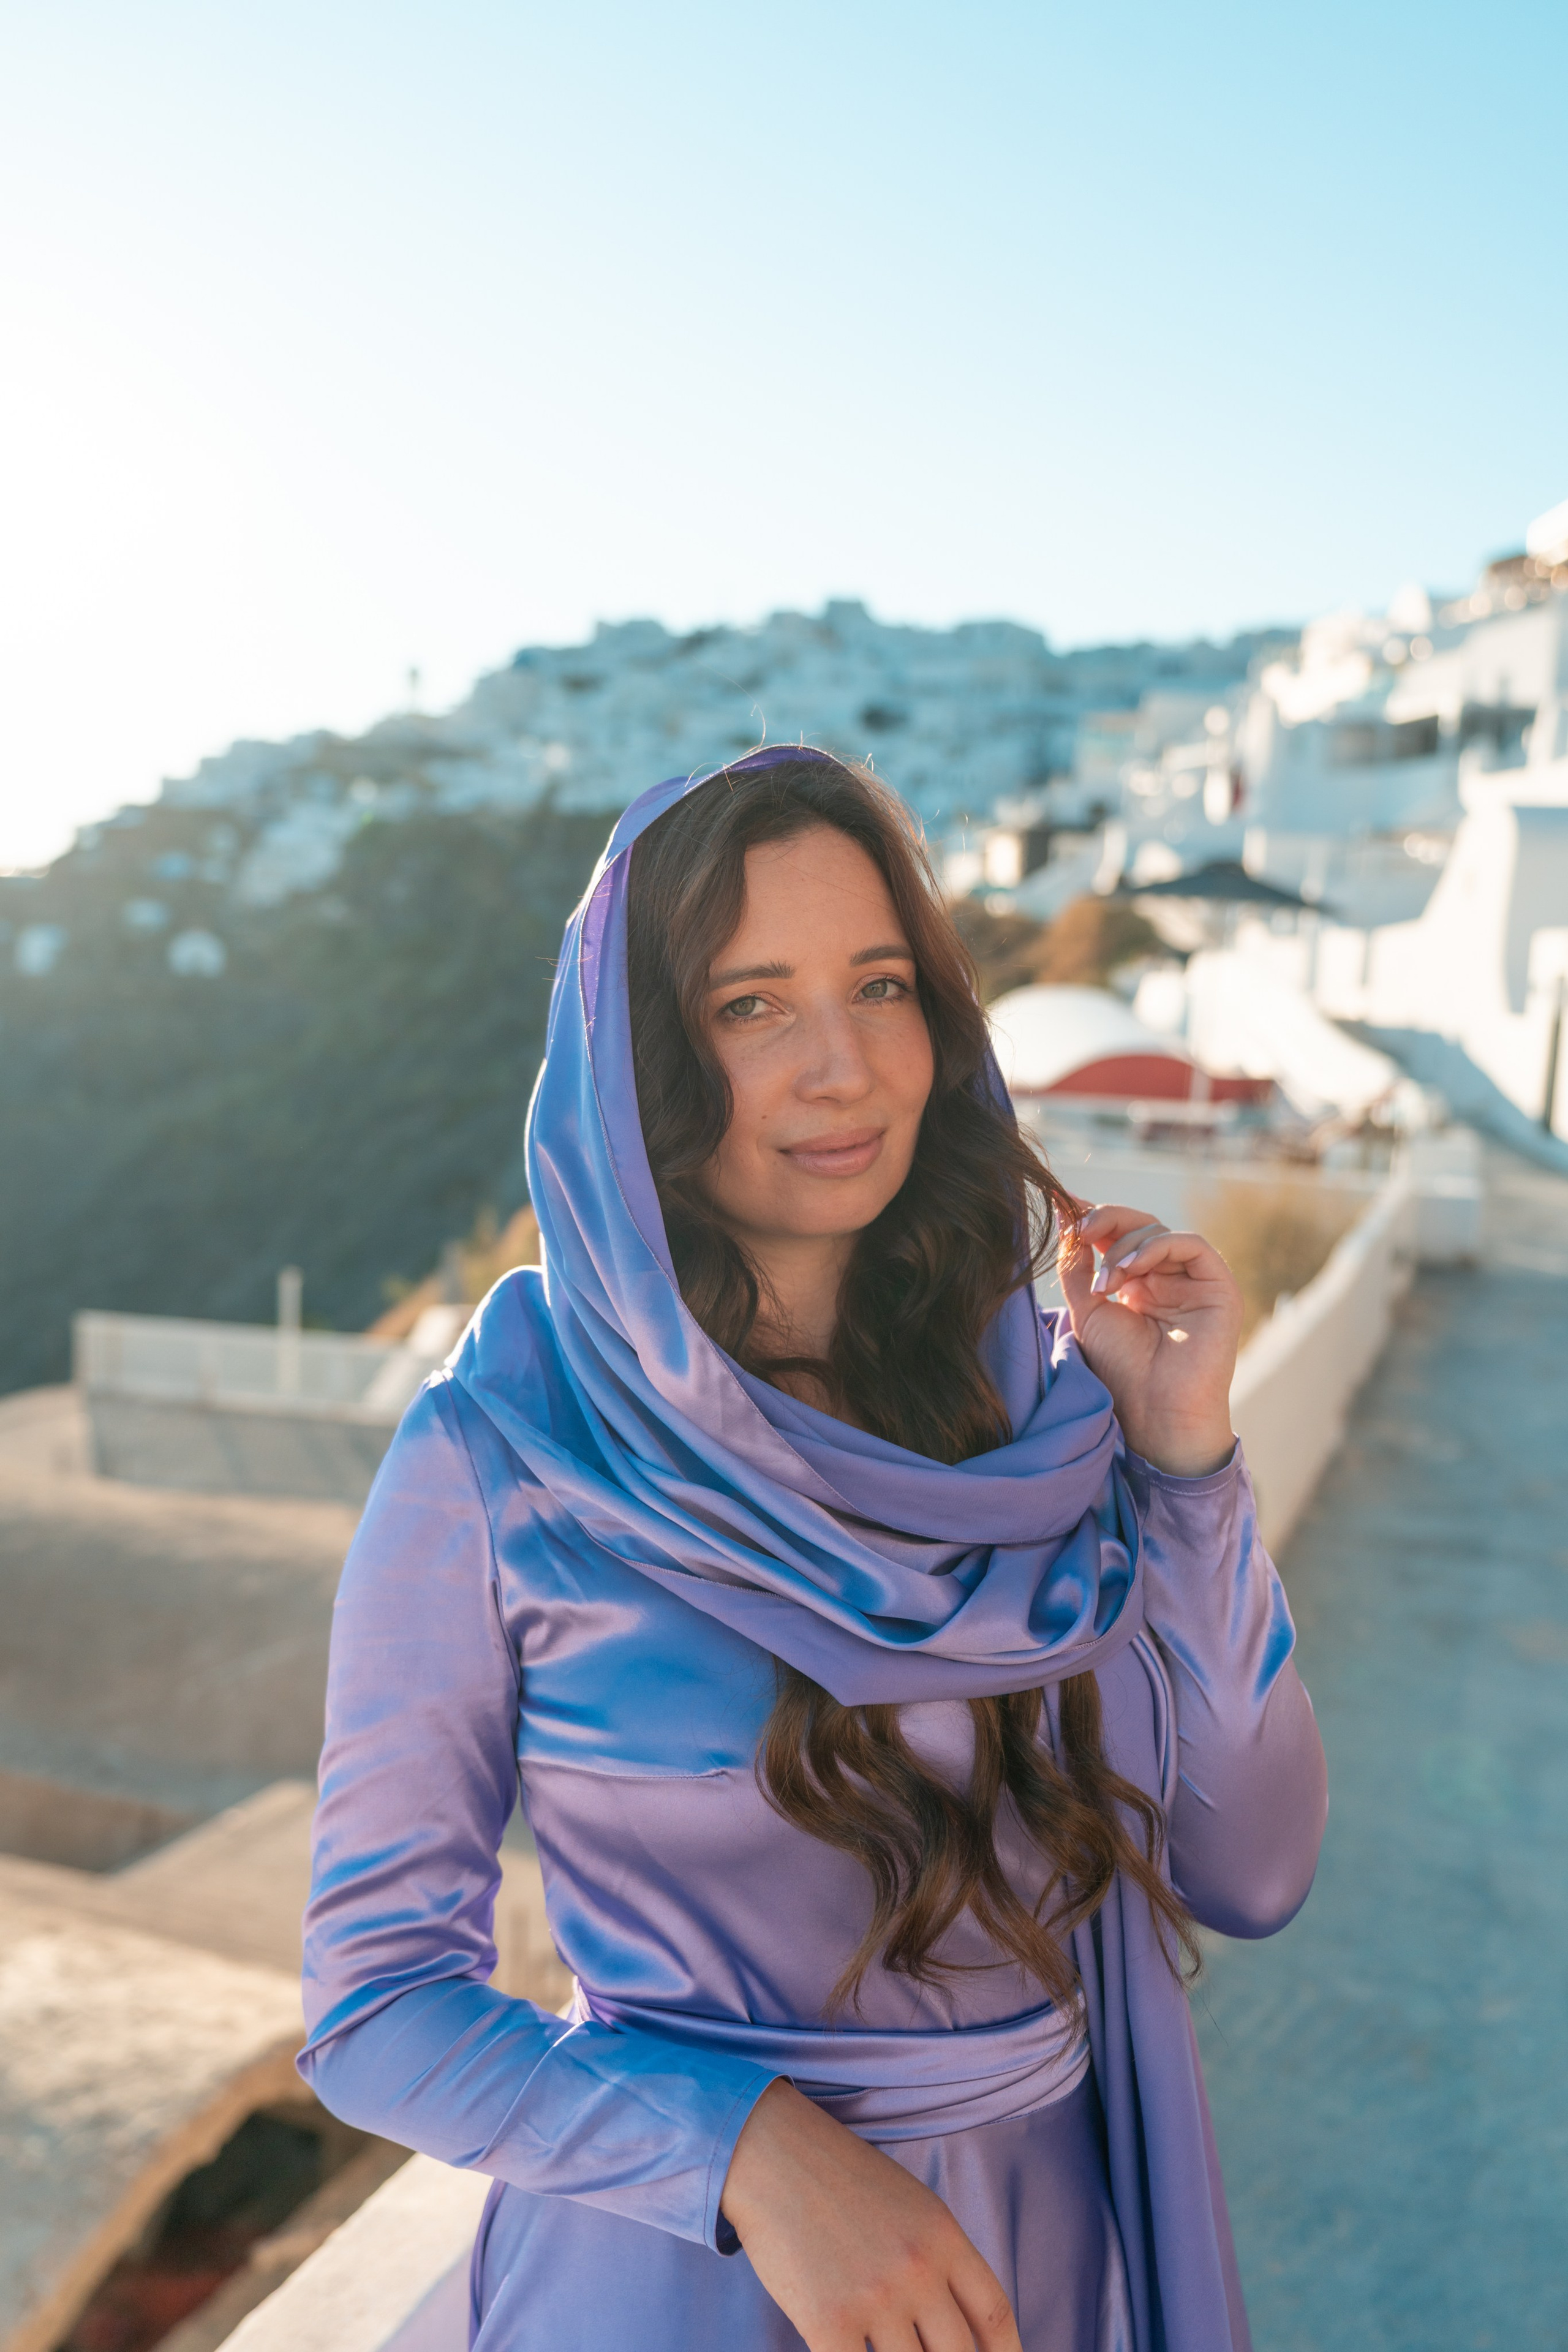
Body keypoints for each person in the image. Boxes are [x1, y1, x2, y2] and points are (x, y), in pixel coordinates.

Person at [300, 746, 1328, 2352]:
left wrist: (1185, 1461)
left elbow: (1251, 1870)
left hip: (1038, 2271)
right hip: (678, 2284)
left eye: (881, 985)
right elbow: (375, 2012)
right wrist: (754, 2155)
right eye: (752, 1005)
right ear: (642, 1061)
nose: (844, 1067)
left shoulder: (1037, 1421)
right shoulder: (500, 1462)